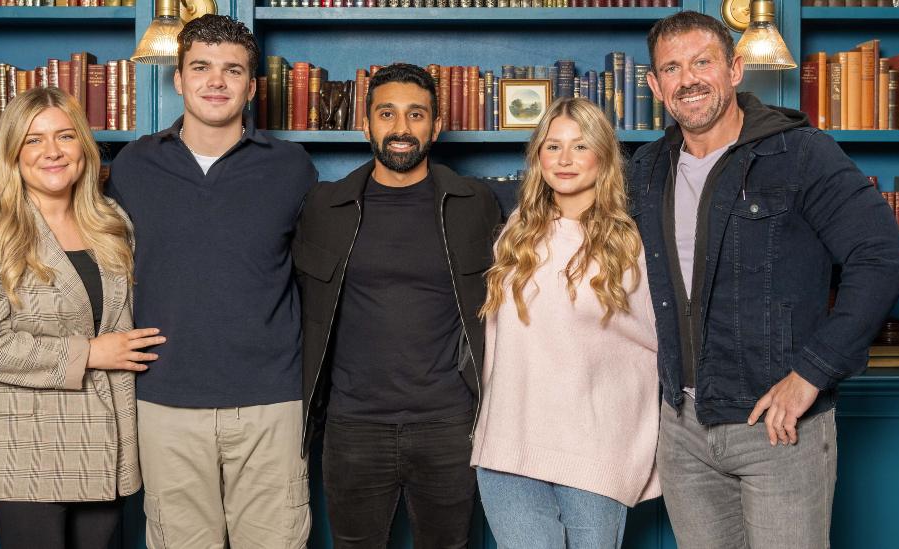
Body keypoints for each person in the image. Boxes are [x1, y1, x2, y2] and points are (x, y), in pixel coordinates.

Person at [629, 11, 899, 548]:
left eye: (702, 62)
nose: (688, 78)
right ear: (655, 84)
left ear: (734, 69)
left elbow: (881, 258)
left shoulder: (801, 153)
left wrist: (812, 372)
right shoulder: (646, 170)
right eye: (672, 67)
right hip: (683, 431)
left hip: (779, 430)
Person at [106, 15, 317, 549]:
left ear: (251, 85)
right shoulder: (133, 165)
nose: (215, 81)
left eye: (232, 70)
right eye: (200, 67)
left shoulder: (293, 167)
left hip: (272, 400)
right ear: (178, 79)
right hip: (165, 399)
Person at [294, 63, 501, 548]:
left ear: (437, 126)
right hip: (353, 427)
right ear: (366, 124)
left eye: (416, 115)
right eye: (387, 114)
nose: (401, 128)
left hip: (450, 425)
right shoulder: (325, 207)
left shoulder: (477, 202)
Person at [0, 86, 160, 549]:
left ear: (83, 144)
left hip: (109, 441)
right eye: (34, 140)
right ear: (13, 153)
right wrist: (91, 352)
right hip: (25, 442)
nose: (52, 152)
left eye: (64, 136)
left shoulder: (113, 222)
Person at [469, 97, 661, 548]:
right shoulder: (517, 232)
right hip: (509, 448)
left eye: (580, 146)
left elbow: (657, 348)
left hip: (594, 451)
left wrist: (637, 447)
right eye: (553, 146)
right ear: (538, 156)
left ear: (604, 155)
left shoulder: (630, 245)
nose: (565, 159)